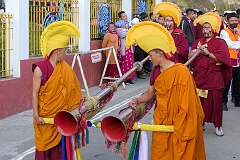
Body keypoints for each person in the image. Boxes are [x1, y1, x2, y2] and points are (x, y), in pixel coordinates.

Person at [127, 21, 206, 160]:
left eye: (151, 55)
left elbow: (188, 102)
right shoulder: (155, 72)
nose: (149, 59)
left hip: (180, 121)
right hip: (162, 119)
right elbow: (150, 94)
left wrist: (182, 122)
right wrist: (136, 100)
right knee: (161, 151)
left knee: (181, 152)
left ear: (160, 54)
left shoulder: (181, 71)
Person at [32, 21, 83, 160]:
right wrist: (36, 115)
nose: (66, 53)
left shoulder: (65, 67)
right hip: (45, 118)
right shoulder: (40, 68)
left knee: (60, 151)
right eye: (65, 50)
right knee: (44, 149)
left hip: (62, 117)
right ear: (57, 50)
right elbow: (35, 93)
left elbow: (73, 89)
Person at [191, 12, 232, 136]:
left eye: (208, 27)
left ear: (213, 29)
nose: (206, 29)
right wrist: (197, 50)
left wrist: (207, 53)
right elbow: (190, 57)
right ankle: (201, 122)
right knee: (200, 102)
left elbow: (223, 59)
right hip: (200, 77)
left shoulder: (220, 42)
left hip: (214, 78)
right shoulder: (197, 42)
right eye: (204, 27)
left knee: (216, 103)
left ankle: (218, 126)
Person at [220, 12, 240, 109]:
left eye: (236, 20)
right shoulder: (224, 32)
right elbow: (229, 44)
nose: (234, 22)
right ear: (227, 22)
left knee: (237, 82)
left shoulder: (238, 30)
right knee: (227, 82)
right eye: (232, 21)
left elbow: (234, 44)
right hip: (229, 60)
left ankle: (237, 100)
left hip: (238, 61)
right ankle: (223, 102)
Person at [115, 11, 135, 84]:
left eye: (125, 16)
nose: (125, 17)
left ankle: (129, 78)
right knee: (124, 62)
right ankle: (123, 79)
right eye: (123, 16)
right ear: (120, 18)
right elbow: (123, 35)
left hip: (129, 47)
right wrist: (128, 30)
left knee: (130, 62)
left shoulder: (128, 25)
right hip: (123, 47)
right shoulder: (118, 27)